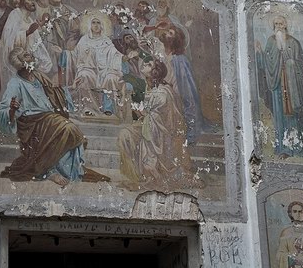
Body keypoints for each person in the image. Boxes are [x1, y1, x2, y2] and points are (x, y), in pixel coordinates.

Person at [0, 47, 108, 186]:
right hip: (33, 123)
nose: (31, 55)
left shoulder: (38, 75)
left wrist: (72, 87)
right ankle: (49, 170)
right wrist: (12, 110)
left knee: (73, 133)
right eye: (26, 55)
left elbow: (55, 92)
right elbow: (3, 111)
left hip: (49, 118)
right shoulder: (15, 83)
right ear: (20, 62)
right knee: (68, 129)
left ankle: (67, 169)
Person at [118, 58, 203, 192]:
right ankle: (135, 176)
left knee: (129, 134)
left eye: (149, 64)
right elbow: (147, 114)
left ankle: (150, 176)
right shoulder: (149, 87)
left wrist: (139, 111)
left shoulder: (162, 93)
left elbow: (157, 120)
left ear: (155, 72)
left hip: (160, 134)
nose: (144, 64)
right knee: (125, 134)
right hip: (150, 127)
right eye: (145, 63)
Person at [256, 16, 303, 158]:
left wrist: (292, 64)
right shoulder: (270, 41)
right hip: (277, 86)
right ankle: (284, 148)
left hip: (293, 88)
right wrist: (259, 53)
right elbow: (266, 64)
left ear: (286, 25)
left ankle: (299, 147)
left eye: (281, 23)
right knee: (280, 115)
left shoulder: (293, 42)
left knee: (294, 116)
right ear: (273, 26)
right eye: (276, 24)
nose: (278, 26)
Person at [63, 15, 137, 116]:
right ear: (89, 25)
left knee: (111, 77)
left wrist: (127, 57)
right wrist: (64, 54)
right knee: (84, 76)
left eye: (98, 23)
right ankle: (89, 108)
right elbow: (75, 55)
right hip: (88, 69)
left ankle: (108, 108)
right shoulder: (84, 40)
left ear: (102, 25)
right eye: (93, 23)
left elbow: (116, 55)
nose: (96, 25)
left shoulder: (106, 41)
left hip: (104, 71)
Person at [156, 21, 214, 145]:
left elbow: (187, 91)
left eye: (170, 33)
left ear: (175, 41)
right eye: (167, 31)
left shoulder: (180, 61)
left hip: (176, 99)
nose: (165, 34)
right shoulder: (160, 56)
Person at [0, 0, 53, 94]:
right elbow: (8, 39)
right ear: (23, 2)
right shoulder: (15, 14)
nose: (33, 2)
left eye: (33, 0)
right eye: (29, 0)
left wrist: (42, 58)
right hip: (18, 60)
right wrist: (27, 33)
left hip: (28, 60)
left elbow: (37, 43)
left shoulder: (30, 19)